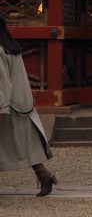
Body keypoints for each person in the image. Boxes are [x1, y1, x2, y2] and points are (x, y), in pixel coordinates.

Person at [0, 16, 55, 196]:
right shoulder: (11, 47)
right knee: (25, 145)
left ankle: (44, 176)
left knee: (16, 146)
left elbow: (2, 83)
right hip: (20, 103)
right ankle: (44, 176)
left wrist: (1, 107)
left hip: (8, 104)